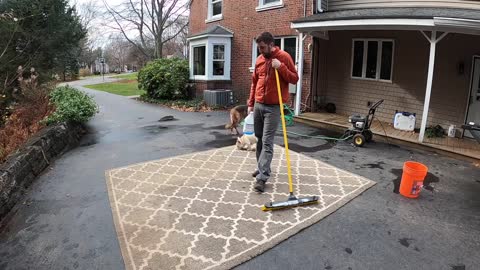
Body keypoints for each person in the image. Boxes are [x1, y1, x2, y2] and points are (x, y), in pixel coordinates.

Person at [247, 32, 299, 193]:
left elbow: (294, 78)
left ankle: (262, 177)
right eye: (258, 48)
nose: (260, 50)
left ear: (271, 44)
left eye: (262, 47)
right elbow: (254, 82)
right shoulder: (260, 59)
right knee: (259, 139)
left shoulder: (283, 57)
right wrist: (250, 103)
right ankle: (261, 167)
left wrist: (281, 67)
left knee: (268, 141)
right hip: (258, 105)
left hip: (273, 107)